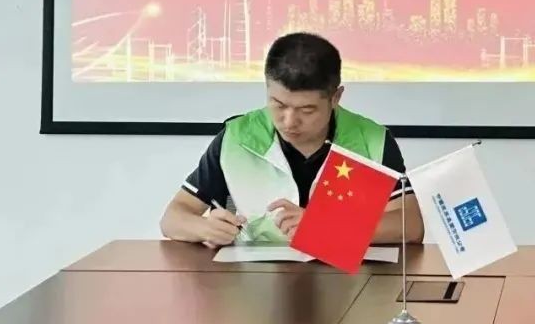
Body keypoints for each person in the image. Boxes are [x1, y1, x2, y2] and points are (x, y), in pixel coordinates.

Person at [161, 32, 424, 248]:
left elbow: (411, 226)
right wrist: (205, 228)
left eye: (306, 110)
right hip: (256, 283)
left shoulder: (371, 140)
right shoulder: (238, 137)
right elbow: (173, 217)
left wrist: (326, 227)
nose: (289, 121)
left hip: (347, 282)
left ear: (335, 97)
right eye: (278, 104)